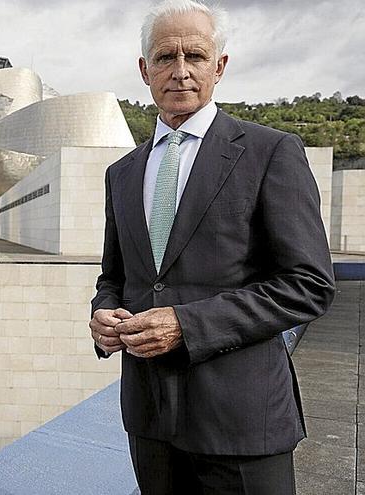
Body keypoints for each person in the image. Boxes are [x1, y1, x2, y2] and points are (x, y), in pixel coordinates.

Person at [88, 0, 336, 493]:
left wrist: (186, 324)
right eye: (164, 58)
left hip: (242, 421)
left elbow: (309, 286)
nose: (180, 71)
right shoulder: (122, 173)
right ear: (144, 70)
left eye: (195, 56)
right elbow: (115, 276)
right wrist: (104, 313)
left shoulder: (271, 152)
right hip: (149, 420)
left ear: (219, 66)